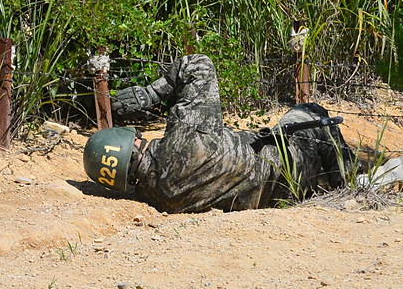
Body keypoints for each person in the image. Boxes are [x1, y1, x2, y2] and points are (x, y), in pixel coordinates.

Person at [83, 54, 356, 213]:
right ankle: (350, 186)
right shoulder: (185, 138)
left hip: (279, 197)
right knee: (309, 110)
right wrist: (152, 93)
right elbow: (199, 65)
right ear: (135, 139)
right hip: (291, 162)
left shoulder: (153, 197)